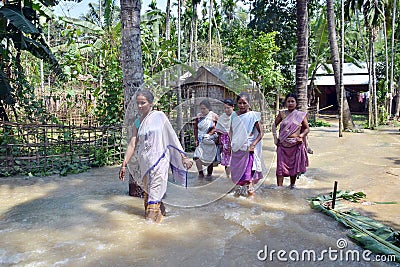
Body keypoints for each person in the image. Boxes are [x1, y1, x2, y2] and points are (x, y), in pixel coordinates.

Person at [119, 90, 193, 223]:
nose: (140, 106)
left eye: (143, 103)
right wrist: (124, 164)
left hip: (160, 161)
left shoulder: (159, 117)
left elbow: (172, 137)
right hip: (145, 162)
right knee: (149, 196)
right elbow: (132, 143)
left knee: (153, 198)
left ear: (151, 103)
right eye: (138, 103)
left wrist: (183, 157)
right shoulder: (137, 122)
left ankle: (149, 228)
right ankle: (162, 217)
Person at [272, 93, 310, 189]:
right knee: (280, 167)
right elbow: (273, 126)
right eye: (288, 101)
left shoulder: (301, 115)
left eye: (292, 101)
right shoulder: (282, 114)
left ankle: (292, 186)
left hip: (295, 144)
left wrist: (301, 136)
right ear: (285, 103)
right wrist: (275, 138)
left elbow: (307, 129)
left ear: (296, 103)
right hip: (282, 144)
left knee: (293, 167)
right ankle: (279, 189)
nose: (290, 103)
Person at [230, 92, 264, 197]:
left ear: (249, 103)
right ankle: (239, 198)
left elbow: (261, 132)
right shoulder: (234, 115)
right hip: (236, 148)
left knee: (248, 175)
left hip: (248, 149)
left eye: (244, 103)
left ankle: (251, 198)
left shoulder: (253, 116)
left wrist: (253, 145)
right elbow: (231, 130)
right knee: (237, 174)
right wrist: (232, 142)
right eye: (239, 103)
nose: (242, 105)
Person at [193, 99, 219, 179]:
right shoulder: (199, 116)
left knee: (209, 159)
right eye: (201, 108)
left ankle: (209, 175)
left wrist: (210, 134)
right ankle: (200, 174)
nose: (202, 110)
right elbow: (195, 128)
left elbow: (218, 128)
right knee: (197, 157)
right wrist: (196, 139)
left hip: (210, 140)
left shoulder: (214, 116)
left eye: (204, 108)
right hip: (201, 140)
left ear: (208, 108)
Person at [215, 98, 234, 178]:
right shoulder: (222, 117)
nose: (226, 110)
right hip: (224, 141)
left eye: (228, 108)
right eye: (225, 108)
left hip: (234, 141)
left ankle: (235, 178)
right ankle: (228, 177)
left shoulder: (236, 116)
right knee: (226, 160)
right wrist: (220, 143)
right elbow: (218, 131)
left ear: (233, 107)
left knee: (234, 160)